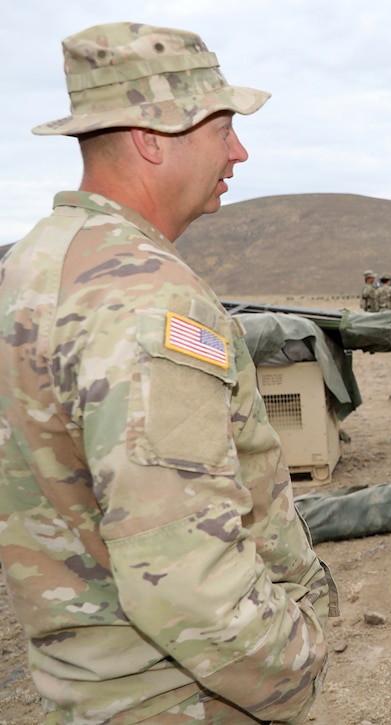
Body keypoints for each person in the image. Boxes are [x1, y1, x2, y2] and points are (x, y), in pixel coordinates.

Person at [0, 22, 337, 724]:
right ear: (152, 137)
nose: (239, 151)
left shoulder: (28, 267)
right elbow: (182, 575)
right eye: (222, 129)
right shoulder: (150, 296)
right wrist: (294, 669)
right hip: (183, 695)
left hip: (84, 687)